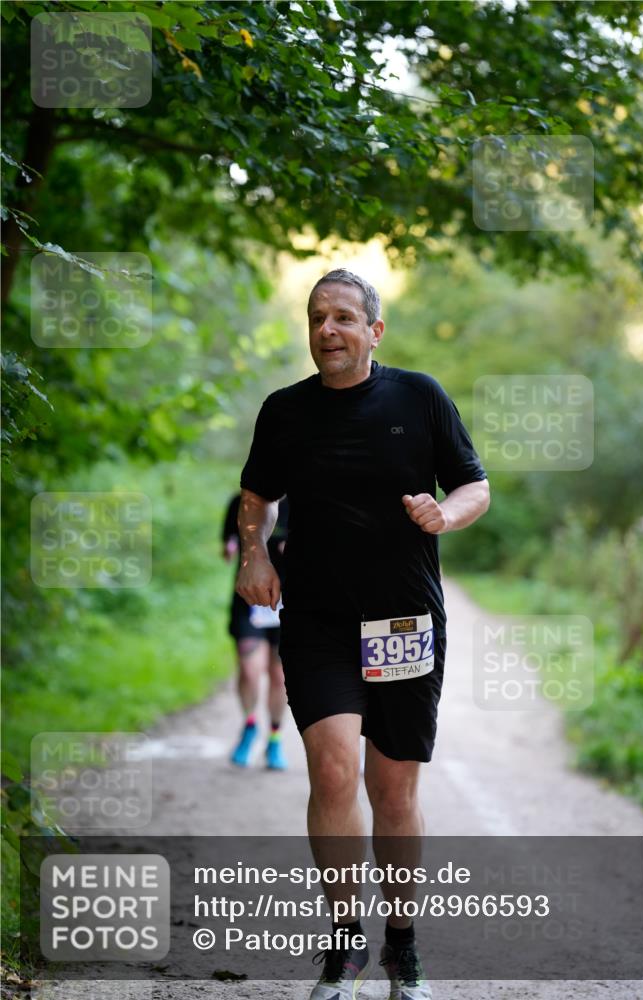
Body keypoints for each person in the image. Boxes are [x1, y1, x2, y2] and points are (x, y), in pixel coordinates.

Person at [236, 269, 490, 999]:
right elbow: (257, 495)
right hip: (316, 619)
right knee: (334, 772)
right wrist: (253, 552)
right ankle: (344, 945)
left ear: (374, 331)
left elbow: (474, 483)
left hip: (401, 620)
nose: (328, 330)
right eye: (318, 317)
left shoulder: (418, 397)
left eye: (344, 318)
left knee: (393, 787)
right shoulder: (285, 411)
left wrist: (447, 513)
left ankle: (401, 947)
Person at [221, 492, 289, 770]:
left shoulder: (306, 499)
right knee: (250, 669)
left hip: (288, 602)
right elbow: (229, 540)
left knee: (279, 676)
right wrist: (231, 546)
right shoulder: (242, 501)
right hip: (250, 600)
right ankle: (250, 726)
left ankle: (274, 738)